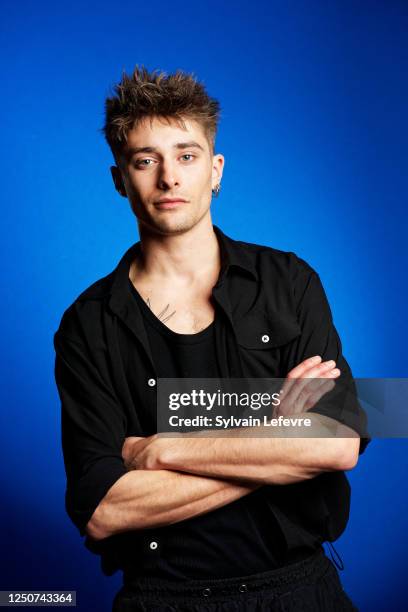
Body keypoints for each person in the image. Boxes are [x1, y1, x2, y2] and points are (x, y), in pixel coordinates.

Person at [53, 65, 370, 611]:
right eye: (145, 160)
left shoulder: (289, 281)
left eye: (186, 155)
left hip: (300, 591)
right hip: (163, 598)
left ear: (215, 170)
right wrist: (278, 437)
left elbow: (339, 442)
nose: (168, 178)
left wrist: (164, 451)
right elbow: (104, 510)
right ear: (119, 179)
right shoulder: (87, 324)